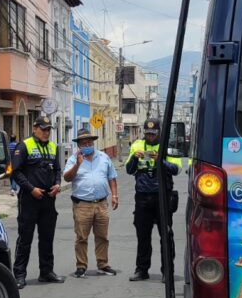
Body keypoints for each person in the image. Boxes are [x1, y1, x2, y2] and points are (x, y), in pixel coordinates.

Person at [11, 115, 63, 288]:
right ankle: (19, 275)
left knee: (47, 238)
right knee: (25, 238)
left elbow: (57, 170)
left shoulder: (53, 147)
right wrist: (31, 189)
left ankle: (46, 272)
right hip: (29, 199)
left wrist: (57, 184)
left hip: (48, 199)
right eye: (43, 129)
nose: (46, 132)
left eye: (48, 129)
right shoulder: (24, 145)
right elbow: (16, 172)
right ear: (34, 128)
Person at [126, 118, 178, 282]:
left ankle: (167, 272)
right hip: (142, 197)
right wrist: (135, 157)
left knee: (166, 235)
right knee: (143, 236)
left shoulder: (168, 147)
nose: (150, 137)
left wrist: (160, 160)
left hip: (162, 196)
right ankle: (141, 270)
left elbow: (176, 169)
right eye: (147, 134)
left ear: (159, 132)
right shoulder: (137, 145)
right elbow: (129, 169)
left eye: (153, 134)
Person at [63, 127, 118, 278]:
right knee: (81, 237)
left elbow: (112, 177)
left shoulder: (104, 157)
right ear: (79, 145)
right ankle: (81, 266)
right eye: (83, 143)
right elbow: (67, 178)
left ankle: (103, 265)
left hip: (101, 203)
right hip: (82, 205)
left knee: (102, 236)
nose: (87, 145)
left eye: (89, 142)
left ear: (93, 143)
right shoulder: (74, 159)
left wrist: (114, 195)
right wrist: (77, 165)